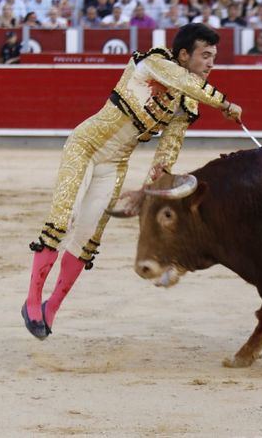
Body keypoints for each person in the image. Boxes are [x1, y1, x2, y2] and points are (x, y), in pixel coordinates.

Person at [21, 24, 243, 340]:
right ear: (183, 55)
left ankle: (51, 306)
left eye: (213, 57)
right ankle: (31, 300)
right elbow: (181, 80)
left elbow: (168, 148)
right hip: (85, 147)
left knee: (87, 239)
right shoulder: (155, 62)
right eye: (205, 56)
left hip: (114, 164)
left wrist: (156, 180)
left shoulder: (187, 103)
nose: (210, 63)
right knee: (61, 222)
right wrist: (223, 103)